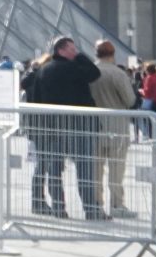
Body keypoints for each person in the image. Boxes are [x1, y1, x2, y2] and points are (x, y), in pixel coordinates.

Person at [27, 35, 104, 220]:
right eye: (72, 48)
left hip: (52, 127)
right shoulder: (75, 68)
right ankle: (91, 209)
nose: (75, 51)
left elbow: (35, 98)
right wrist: (81, 56)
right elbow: (94, 73)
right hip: (79, 126)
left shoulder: (43, 71)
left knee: (54, 169)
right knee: (84, 169)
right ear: (61, 50)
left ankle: (59, 208)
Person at [88, 39, 140, 219]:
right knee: (116, 171)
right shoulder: (118, 73)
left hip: (94, 127)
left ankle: (96, 204)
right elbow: (130, 100)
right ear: (113, 54)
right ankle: (117, 204)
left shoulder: (89, 72)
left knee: (95, 170)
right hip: (117, 127)